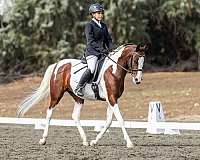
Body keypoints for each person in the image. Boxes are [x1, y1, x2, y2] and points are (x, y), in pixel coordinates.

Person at [75, 3, 115, 97]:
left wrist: (111, 49)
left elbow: (108, 39)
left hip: (102, 53)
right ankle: (79, 87)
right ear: (92, 14)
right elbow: (90, 41)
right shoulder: (89, 25)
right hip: (92, 52)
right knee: (92, 68)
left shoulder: (104, 26)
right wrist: (101, 49)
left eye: (101, 13)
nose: (100, 15)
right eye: (98, 13)